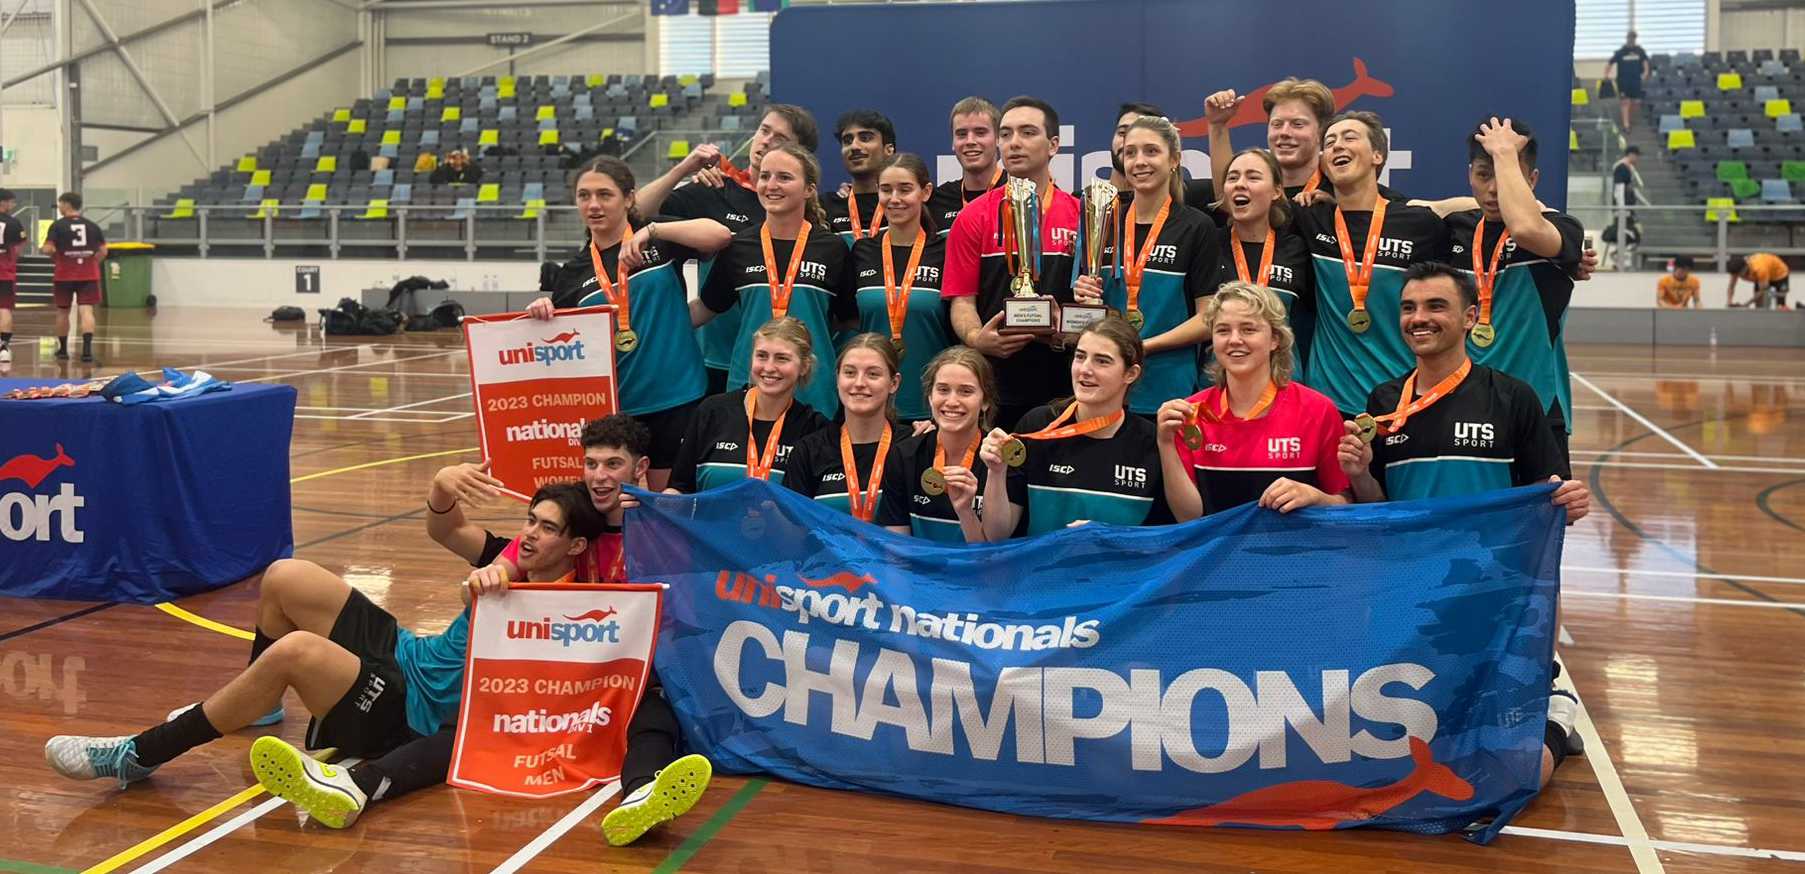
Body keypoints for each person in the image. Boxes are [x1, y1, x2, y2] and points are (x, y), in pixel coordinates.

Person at [43, 483, 604, 823]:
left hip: (410, 710)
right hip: (409, 652)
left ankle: (138, 754)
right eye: (530, 520)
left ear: (575, 546)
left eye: (546, 528)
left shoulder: (575, 613)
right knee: (286, 576)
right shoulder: (514, 560)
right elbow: (470, 566)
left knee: (297, 653)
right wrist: (446, 498)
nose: (529, 534)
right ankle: (260, 703)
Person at [1336, 261, 1590, 789]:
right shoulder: (1383, 404)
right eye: (1409, 308)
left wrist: (1568, 499)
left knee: (1514, 773)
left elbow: (1547, 497)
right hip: (1413, 594)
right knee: (1397, 755)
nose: (1419, 318)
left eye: (1436, 306)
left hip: (1491, 596)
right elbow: (1378, 507)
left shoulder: (1513, 397)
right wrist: (1359, 474)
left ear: (1471, 316)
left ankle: (1554, 716)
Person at [429, 416, 714, 847]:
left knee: (654, 713)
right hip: (560, 683)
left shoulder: (667, 531)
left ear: (641, 467)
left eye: (613, 464)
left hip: (627, 682)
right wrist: (484, 578)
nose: (599, 477)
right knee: (468, 727)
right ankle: (368, 780)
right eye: (591, 464)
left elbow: (689, 618)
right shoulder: (570, 521)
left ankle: (641, 797)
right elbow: (499, 570)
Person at [526, 157, 731, 490]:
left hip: (678, 398)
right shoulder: (572, 274)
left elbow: (720, 236)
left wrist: (652, 229)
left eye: (605, 195)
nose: (593, 205)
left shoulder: (657, 239)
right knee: (617, 506)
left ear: (629, 198)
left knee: (670, 504)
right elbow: (562, 351)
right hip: (616, 410)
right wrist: (542, 313)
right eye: (584, 195)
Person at [635, 104, 821, 395]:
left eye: (780, 139)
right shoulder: (714, 188)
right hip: (716, 359)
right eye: (764, 130)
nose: (766, 141)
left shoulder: (801, 212)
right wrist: (683, 169)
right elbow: (635, 214)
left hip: (782, 364)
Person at [1291, 111, 1447, 417]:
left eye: (1349, 138)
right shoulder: (1310, 218)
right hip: (1328, 402)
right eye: (1329, 143)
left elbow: (1476, 212)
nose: (1337, 145)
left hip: (1402, 397)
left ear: (1378, 155)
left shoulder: (1419, 224)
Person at [1445, 118, 1585, 459]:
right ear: (1470, 175)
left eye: (1507, 175)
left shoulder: (1562, 228)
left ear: (1532, 180)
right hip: (1462, 409)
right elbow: (1411, 209)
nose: (1494, 189)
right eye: (1483, 175)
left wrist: (1505, 152)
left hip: (1539, 409)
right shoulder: (1453, 230)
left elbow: (1524, 228)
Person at [944, 95, 1083, 430]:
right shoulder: (973, 216)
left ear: (1053, 145)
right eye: (1005, 134)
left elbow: (1095, 302)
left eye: (1027, 132)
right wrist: (977, 338)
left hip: (1066, 382)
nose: (1014, 143)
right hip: (995, 385)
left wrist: (1066, 333)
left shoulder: (1081, 215)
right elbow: (962, 300)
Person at [1157, 281, 1349, 520]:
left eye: (1248, 329)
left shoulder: (1318, 410)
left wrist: (1315, 497)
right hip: (1218, 545)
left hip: (1294, 544)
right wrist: (1165, 443)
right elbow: (1188, 517)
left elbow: (1347, 505)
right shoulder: (1191, 414)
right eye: (1223, 330)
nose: (1234, 340)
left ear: (1275, 339)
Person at [693, 143, 855, 416]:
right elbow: (706, 307)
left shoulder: (833, 248)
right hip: (751, 381)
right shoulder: (739, 247)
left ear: (809, 189)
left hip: (813, 389)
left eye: (784, 177)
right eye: (765, 176)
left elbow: (849, 318)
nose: (771, 185)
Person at [1072, 116, 1218, 416]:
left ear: (1174, 159)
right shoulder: (1100, 222)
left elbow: (1208, 318)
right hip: (1105, 387)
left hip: (1168, 388)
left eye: (1151, 151)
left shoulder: (1196, 226)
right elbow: (1082, 316)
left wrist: (1144, 346)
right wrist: (1083, 298)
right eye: (1130, 153)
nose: (1139, 161)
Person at [978, 317, 1170, 537]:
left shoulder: (1151, 442)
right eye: (1080, 356)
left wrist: (1110, 538)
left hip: (1117, 561)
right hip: (1043, 560)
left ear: (1130, 374)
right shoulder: (1037, 426)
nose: (1085, 369)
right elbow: (996, 535)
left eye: (1102, 361)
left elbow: (1164, 540)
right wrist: (996, 472)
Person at [668, 317, 833, 492]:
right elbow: (678, 488)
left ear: (804, 366)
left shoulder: (815, 429)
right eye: (761, 356)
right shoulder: (713, 411)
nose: (769, 367)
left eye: (782, 358)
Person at [849, 153, 953, 423]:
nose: (894, 199)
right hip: (871, 402)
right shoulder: (862, 251)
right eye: (886, 189)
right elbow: (848, 320)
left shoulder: (945, 251)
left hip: (934, 406)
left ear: (925, 192)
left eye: (905, 189)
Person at [1195, 78, 1405, 210]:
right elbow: (1225, 200)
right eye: (1277, 124)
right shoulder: (1254, 188)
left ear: (1321, 132)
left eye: (1298, 124)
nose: (1284, 133)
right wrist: (1218, 124)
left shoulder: (1342, 188)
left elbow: (1397, 205)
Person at [877, 347, 997, 542]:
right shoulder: (903, 456)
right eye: (943, 390)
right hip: (914, 563)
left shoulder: (997, 460)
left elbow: (993, 554)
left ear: (985, 401)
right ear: (930, 397)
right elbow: (897, 547)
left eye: (965, 391)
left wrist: (965, 512)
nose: (952, 401)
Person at [1211, 149, 1315, 371]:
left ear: (1277, 191)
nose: (1240, 184)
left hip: (1283, 378)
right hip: (1220, 379)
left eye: (1253, 177)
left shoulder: (1297, 248)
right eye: (1232, 178)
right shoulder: (1208, 244)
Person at [784, 335, 901, 521]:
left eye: (873, 374)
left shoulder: (911, 448)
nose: (859, 383)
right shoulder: (809, 451)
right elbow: (794, 530)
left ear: (894, 383)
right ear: (838, 379)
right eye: (850, 373)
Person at [42, 191, 106, 363]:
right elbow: (103, 251)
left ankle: (63, 350)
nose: (59, 207)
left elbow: (47, 249)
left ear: (66, 204)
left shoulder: (58, 226)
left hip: (64, 274)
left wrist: (57, 258)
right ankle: (87, 351)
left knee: (63, 312)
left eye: (60, 204)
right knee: (87, 311)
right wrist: (92, 263)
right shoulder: (93, 226)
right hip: (88, 274)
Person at [928, 96, 1005, 235]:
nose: (970, 141)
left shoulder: (1019, 193)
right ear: (953, 143)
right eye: (961, 134)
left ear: (998, 138)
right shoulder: (936, 201)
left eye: (980, 133)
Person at [824, 109, 897, 245]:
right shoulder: (824, 208)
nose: (854, 146)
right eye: (847, 141)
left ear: (889, 149)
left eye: (865, 138)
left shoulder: (908, 205)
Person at [1604, 32, 1651, 134]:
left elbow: (1645, 61)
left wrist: (1646, 72)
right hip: (1623, 81)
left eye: (1633, 38)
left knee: (1636, 102)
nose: (1632, 39)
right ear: (1627, 38)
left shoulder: (1640, 51)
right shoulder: (1621, 52)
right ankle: (1626, 125)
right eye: (1630, 37)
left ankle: (1629, 119)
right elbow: (1610, 63)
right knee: (1625, 102)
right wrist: (1606, 74)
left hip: (1636, 80)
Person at [0, 188, 23, 366]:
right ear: (3, 202)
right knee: (4, 308)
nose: (13, 205)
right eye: (12, 202)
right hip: (4, 271)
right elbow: (18, 249)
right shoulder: (14, 223)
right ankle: (3, 348)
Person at [1726, 253, 1792, 308]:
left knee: (1780, 304)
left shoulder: (1759, 268)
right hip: (1762, 275)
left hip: (1779, 274)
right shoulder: (1736, 270)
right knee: (1759, 305)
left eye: (1740, 274)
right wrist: (1729, 302)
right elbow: (1731, 286)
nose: (1739, 277)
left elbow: (1762, 290)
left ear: (1745, 268)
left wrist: (1747, 304)